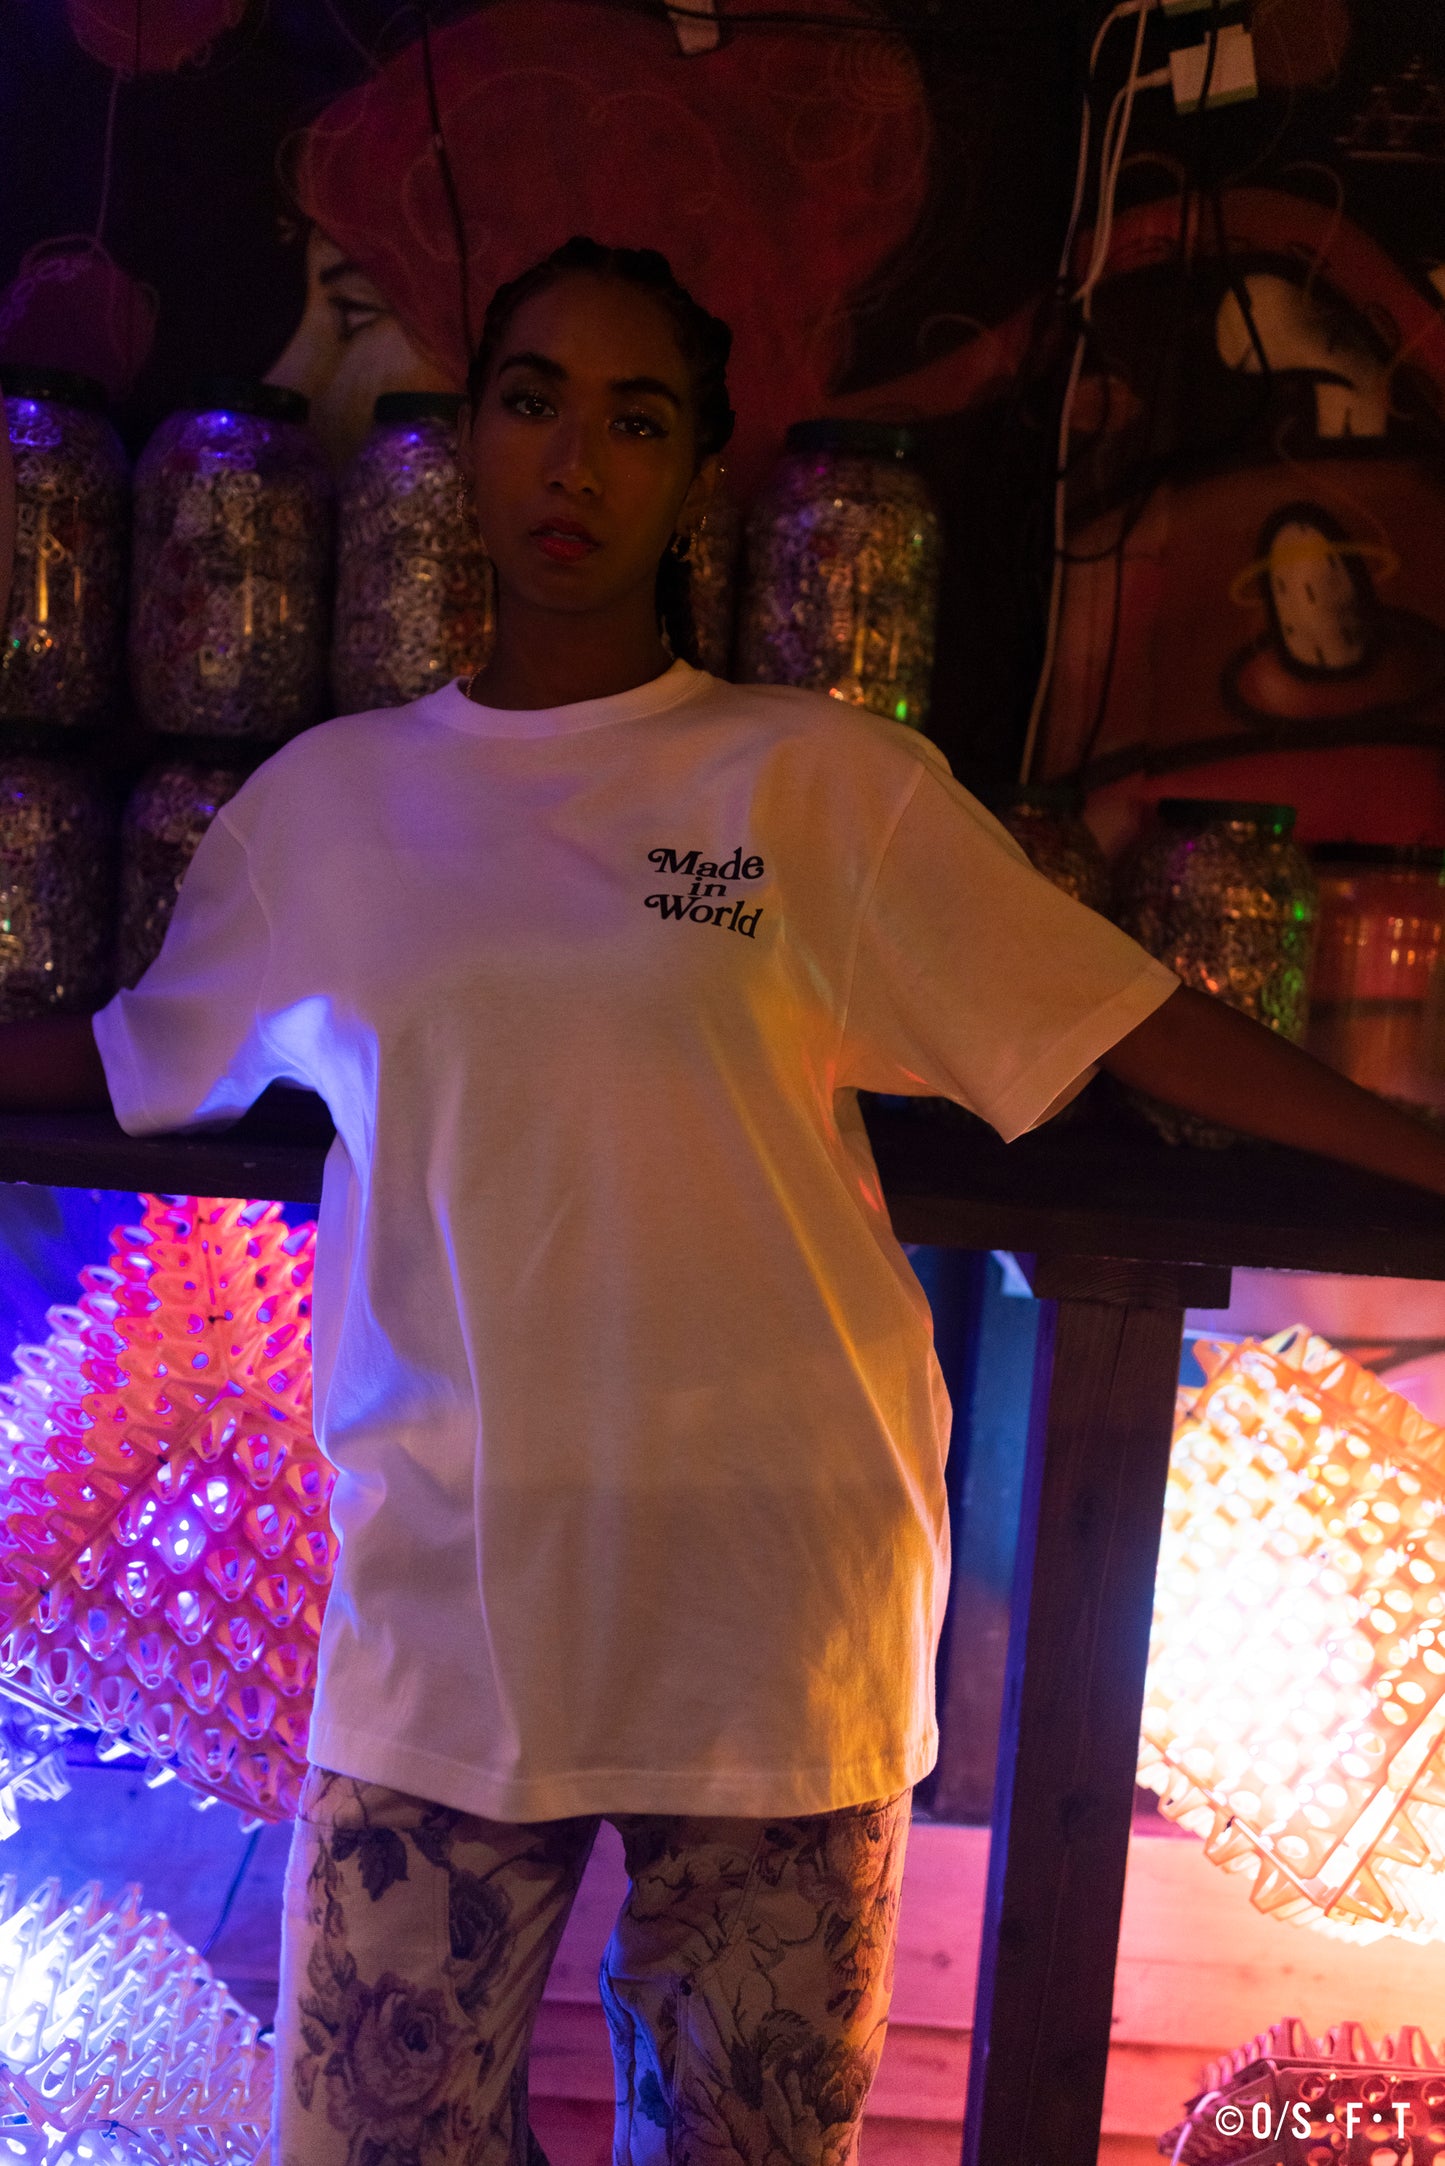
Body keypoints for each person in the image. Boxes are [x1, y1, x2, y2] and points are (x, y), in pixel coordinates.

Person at [8, 237, 1445, 2166]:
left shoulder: (817, 785)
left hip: (776, 1608)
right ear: (473, 436)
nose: (571, 459)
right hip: (452, 1603)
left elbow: (1130, 1023)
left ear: (698, 472)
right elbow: (124, 1056)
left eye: (634, 417)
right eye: (532, 400)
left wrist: (1421, 1158)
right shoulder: (326, 810)